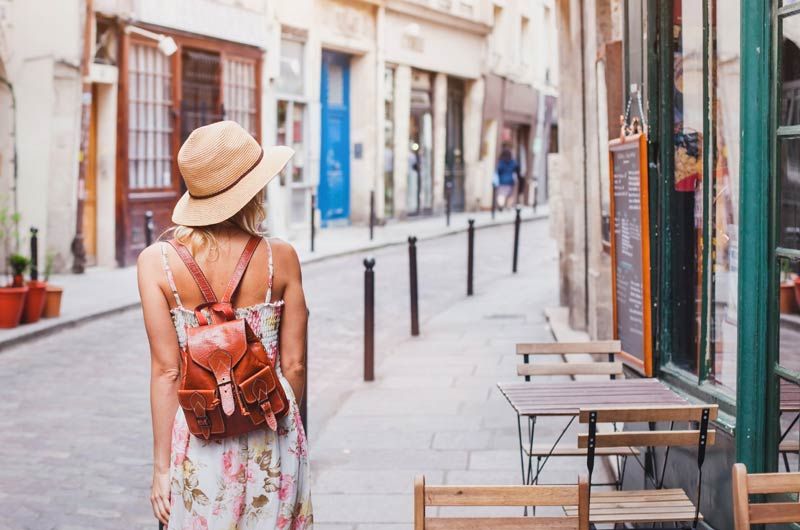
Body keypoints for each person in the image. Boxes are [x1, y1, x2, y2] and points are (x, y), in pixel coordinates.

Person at [137, 121, 313, 529]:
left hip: (201, 432)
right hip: (273, 426)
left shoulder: (156, 263)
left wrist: (161, 468)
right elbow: (296, 364)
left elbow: (166, 371)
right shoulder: (280, 258)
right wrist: (280, 421)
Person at [495, 145, 519, 210]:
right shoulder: (512, 162)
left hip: (502, 180)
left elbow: (498, 170)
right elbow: (516, 168)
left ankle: (501, 205)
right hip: (510, 181)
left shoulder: (501, 162)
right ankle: (508, 206)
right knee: (510, 195)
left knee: (501, 194)